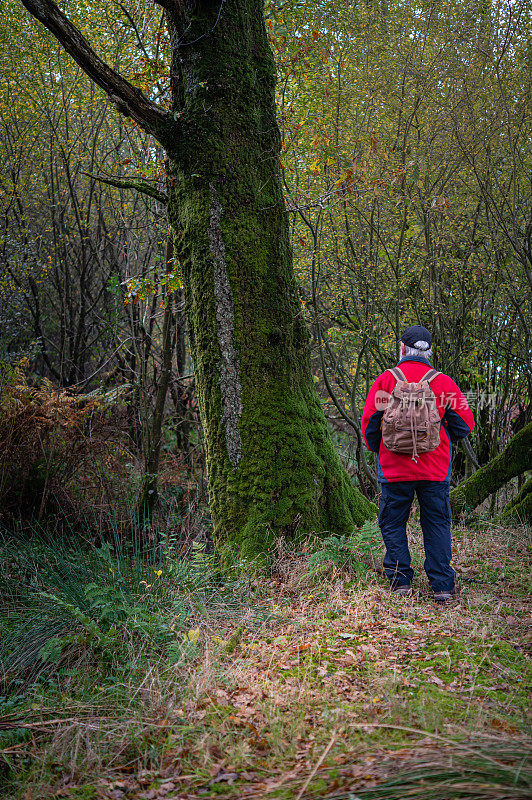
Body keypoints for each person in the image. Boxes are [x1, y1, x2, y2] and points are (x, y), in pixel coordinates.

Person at [361, 326, 475, 602]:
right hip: (435, 469)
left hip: (394, 469)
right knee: (436, 522)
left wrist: (385, 449)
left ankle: (400, 581)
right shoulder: (443, 382)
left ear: (402, 348)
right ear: (429, 351)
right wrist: (440, 432)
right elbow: (464, 425)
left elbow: (369, 427)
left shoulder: (386, 381)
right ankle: (442, 586)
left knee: (393, 523)